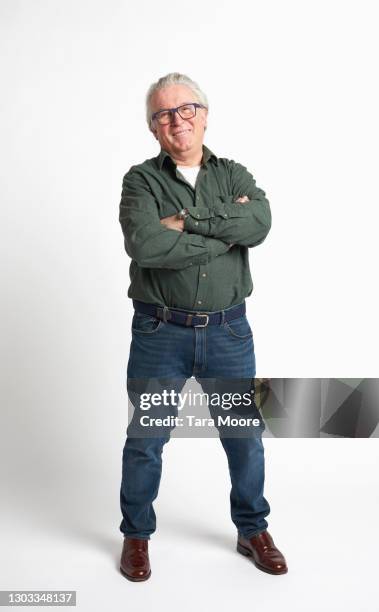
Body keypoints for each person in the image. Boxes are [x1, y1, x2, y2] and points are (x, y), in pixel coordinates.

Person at [118, 72, 288, 581]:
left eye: (186, 108)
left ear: (205, 115)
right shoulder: (140, 180)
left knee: (245, 438)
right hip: (159, 333)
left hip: (228, 334)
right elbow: (146, 246)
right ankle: (135, 535)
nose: (177, 120)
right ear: (154, 129)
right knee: (145, 440)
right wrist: (221, 231)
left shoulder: (234, 173)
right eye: (163, 114)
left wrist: (184, 221)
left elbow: (258, 223)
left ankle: (252, 529)